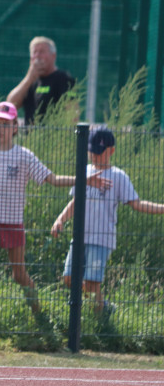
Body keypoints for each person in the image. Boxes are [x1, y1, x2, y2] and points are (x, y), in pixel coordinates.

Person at [0, 101, 109, 316]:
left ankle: (39, 314)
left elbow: (53, 179)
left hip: (12, 222)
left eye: (5, 124)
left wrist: (83, 179)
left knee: (19, 274)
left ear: (15, 127)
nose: (0, 129)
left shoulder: (24, 156)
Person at [51, 128, 164, 318]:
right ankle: (103, 306)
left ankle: (98, 322)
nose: (94, 156)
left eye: (98, 151)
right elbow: (75, 202)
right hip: (79, 237)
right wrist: (60, 219)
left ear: (111, 150)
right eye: (91, 151)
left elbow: (137, 204)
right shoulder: (84, 171)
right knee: (69, 278)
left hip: (102, 239)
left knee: (93, 282)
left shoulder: (119, 176)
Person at [6, 36, 76, 125]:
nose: (38, 56)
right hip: (30, 137)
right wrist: (29, 78)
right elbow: (10, 105)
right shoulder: (30, 81)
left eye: (42, 52)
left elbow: (72, 113)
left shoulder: (64, 79)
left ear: (53, 56)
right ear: (31, 58)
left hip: (53, 136)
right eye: (34, 52)